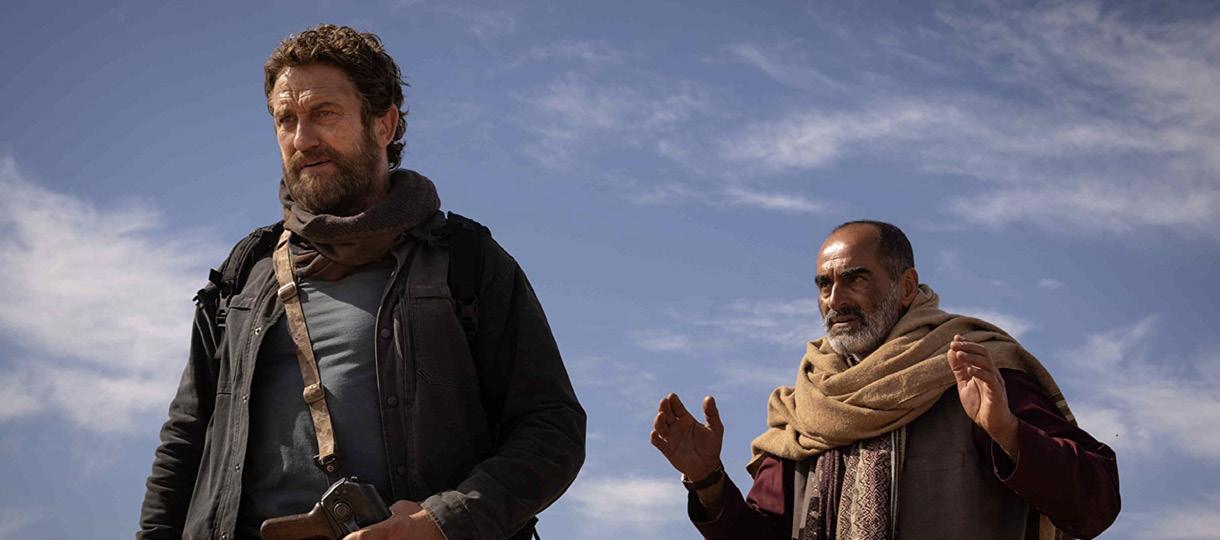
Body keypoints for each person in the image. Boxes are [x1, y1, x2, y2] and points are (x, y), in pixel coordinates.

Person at [138, 24, 585, 540]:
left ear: (384, 124)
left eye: (324, 114)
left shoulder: (467, 262)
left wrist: (441, 522)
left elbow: (552, 428)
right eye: (286, 120)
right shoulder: (244, 276)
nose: (302, 139)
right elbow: (184, 441)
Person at [650, 220, 1119, 540]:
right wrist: (707, 479)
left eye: (855, 280)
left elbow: (1095, 503)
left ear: (906, 286)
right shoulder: (806, 408)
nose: (835, 299)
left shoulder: (971, 370)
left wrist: (1009, 433)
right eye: (824, 284)